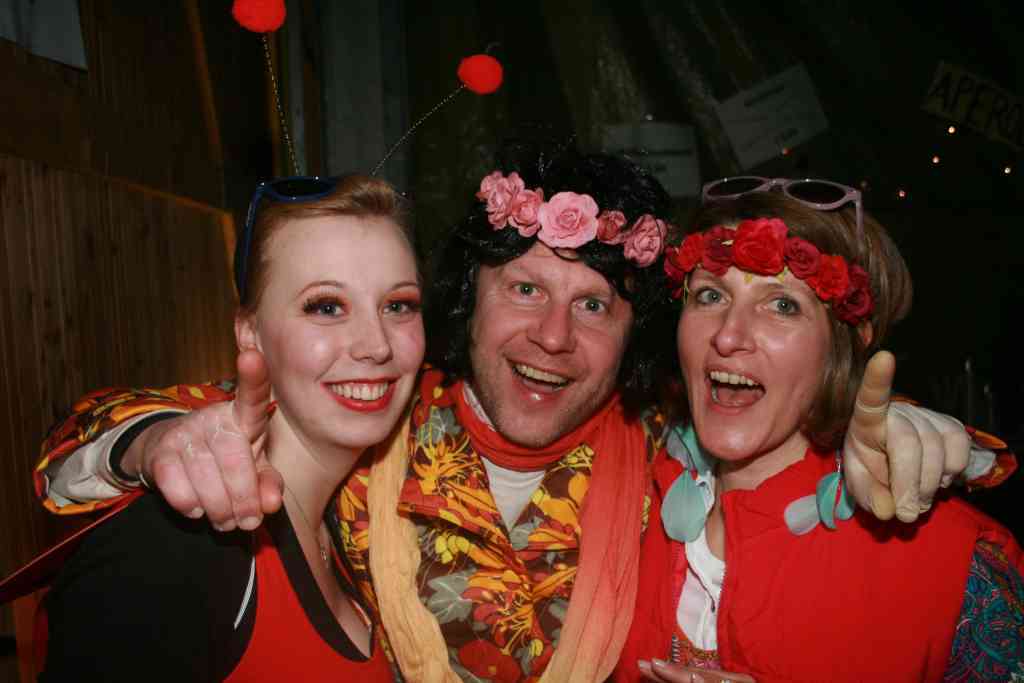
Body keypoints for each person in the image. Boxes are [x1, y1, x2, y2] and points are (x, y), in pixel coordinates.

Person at [30, 152, 1004, 683]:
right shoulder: (371, 413)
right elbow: (132, 433)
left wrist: (930, 436)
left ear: (632, 338)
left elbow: (797, 445)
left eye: (595, 305)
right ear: (465, 301)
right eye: (524, 288)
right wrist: (148, 443)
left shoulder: (660, 457)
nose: (552, 336)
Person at [616, 181, 1024, 683]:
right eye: (710, 295)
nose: (727, 335)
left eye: (782, 305)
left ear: (845, 344)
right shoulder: (627, 491)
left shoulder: (951, 562)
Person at [39, 174, 422, 681]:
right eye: (327, 307)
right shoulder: (186, 546)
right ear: (250, 333)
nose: (376, 345)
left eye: (398, 305)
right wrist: (145, 441)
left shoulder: (349, 516)